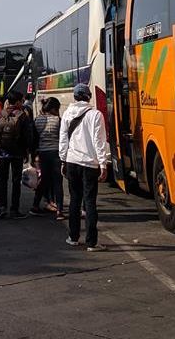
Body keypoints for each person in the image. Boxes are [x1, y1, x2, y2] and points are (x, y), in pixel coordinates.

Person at [60, 83, 110, 251]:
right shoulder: (96, 115)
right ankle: (92, 242)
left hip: (72, 161)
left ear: (75, 97)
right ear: (88, 97)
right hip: (90, 164)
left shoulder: (67, 114)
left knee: (75, 200)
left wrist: (63, 160)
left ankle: (73, 237)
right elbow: (99, 141)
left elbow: (63, 140)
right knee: (89, 202)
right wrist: (103, 163)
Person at [0, 91, 36, 219]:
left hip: (3, 153)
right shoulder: (22, 116)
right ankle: (14, 209)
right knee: (16, 181)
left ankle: (2, 207)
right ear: (17, 102)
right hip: (17, 153)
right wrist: (27, 152)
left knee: (3, 180)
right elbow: (28, 136)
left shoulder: (0, 114)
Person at [32, 97, 64, 217]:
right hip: (56, 153)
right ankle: (59, 210)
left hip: (42, 154)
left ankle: (35, 205)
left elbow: (34, 139)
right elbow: (62, 138)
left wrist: (34, 156)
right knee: (58, 182)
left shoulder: (37, 120)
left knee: (44, 180)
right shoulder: (58, 120)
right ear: (54, 109)